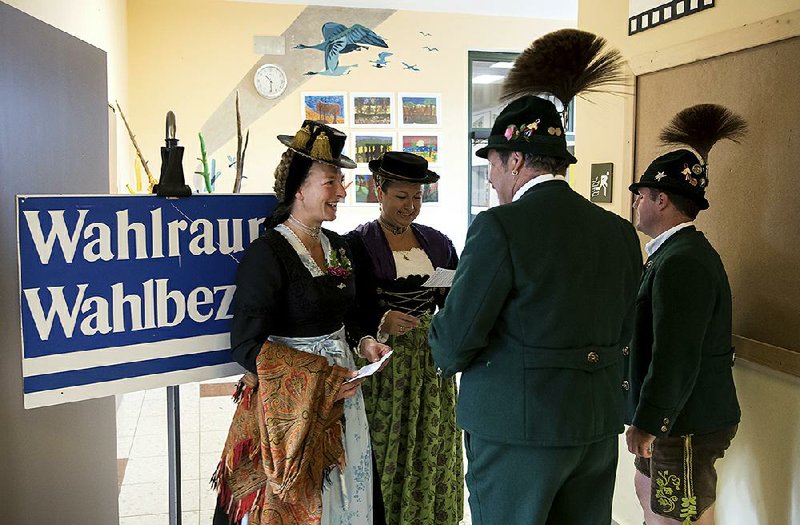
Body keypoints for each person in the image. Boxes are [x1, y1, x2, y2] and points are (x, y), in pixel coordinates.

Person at [428, 29, 643, 524]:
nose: (492, 179)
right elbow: (623, 327)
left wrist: (438, 343)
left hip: (516, 433)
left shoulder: (500, 228)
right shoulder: (618, 232)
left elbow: (456, 340)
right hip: (592, 426)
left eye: (494, 166)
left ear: (517, 160)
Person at [212, 120, 390, 525]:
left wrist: (364, 341)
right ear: (299, 188)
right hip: (290, 409)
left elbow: (354, 311)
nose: (342, 192)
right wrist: (320, 378)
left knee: (350, 492)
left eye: (340, 182)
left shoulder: (339, 247)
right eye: (331, 182)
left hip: (342, 397)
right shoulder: (268, 254)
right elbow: (245, 344)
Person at [626, 104, 746, 524]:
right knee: (653, 501)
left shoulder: (683, 261)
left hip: (685, 420)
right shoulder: (674, 254)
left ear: (661, 200)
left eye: (640, 196)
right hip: (676, 417)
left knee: (677, 517)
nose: (636, 204)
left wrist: (649, 420)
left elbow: (676, 352)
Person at [346, 151, 463, 525]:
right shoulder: (358, 245)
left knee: (432, 443)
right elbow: (350, 305)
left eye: (417, 197)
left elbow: (450, 298)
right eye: (401, 197)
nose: (410, 206)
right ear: (378, 191)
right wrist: (381, 319)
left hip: (430, 364)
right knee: (386, 445)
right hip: (384, 364)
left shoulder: (438, 244)